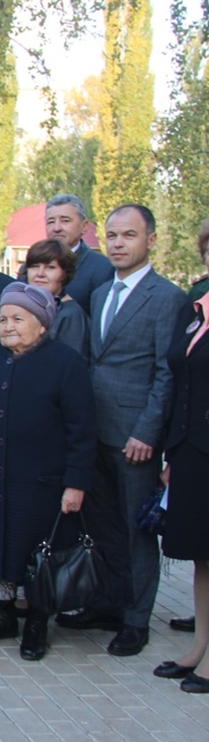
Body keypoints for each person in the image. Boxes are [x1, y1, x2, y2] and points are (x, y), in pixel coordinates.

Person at [59, 204, 188, 657]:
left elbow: (166, 374)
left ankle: (136, 620)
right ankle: (108, 604)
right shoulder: (97, 292)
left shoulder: (166, 297)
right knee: (102, 526)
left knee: (135, 533)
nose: (117, 243)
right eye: (111, 235)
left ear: (150, 240)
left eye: (128, 235)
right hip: (94, 432)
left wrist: (148, 432)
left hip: (134, 438)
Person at [0, 283, 96, 659]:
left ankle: (36, 624)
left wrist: (75, 484)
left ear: (43, 325)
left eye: (18, 318)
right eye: (2, 318)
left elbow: (82, 431)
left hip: (41, 484)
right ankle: (2, 616)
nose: (7, 326)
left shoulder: (66, 363)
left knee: (35, 555)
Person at [156, 277, 209, 691]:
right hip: (191, 449)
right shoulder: (195, 312)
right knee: (200, 554)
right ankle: (200, 647)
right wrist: (172, 452)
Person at [45, 193, 114, 315]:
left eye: (65, 221)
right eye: (51, 221)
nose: (56, 228)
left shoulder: (102, 268)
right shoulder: (31, 267)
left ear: (84, 226)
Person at [21, 238, 89, 359]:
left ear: (64, 273)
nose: (40, 273)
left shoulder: (70, 315)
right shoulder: (23, 307)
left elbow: (70, 363)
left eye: (50, 267)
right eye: (35, 266)